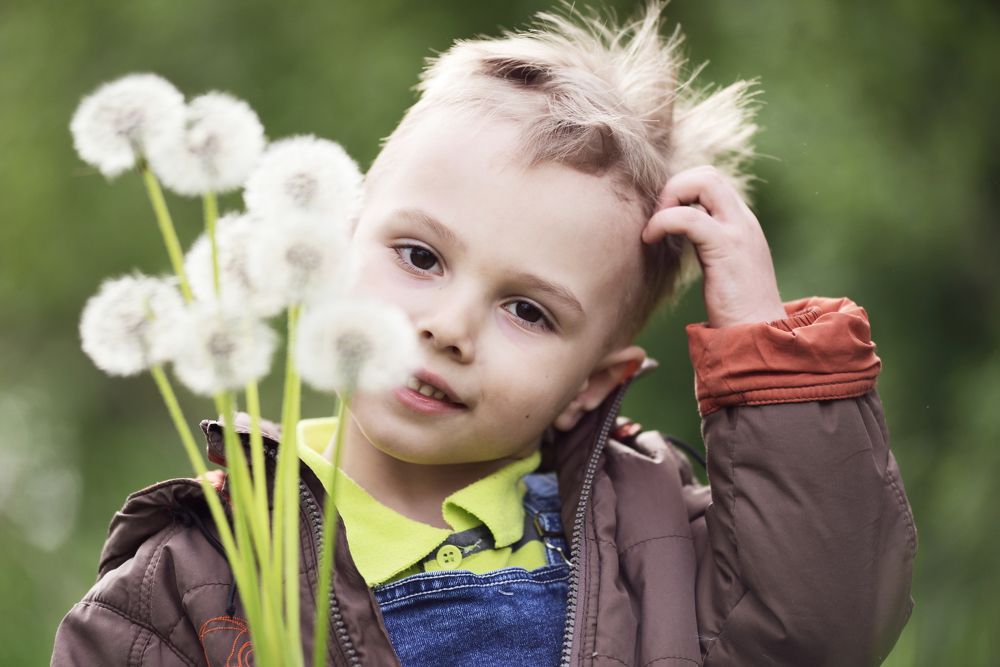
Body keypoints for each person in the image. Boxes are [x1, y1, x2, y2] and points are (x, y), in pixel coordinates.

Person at [51, 3, 916, 665]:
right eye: (421, 256)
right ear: (329, 250)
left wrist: (765, 345)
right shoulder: (201, 571)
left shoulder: (650, 535)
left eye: (528, 310)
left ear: (590, 382)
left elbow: (829, 625)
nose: (451, 325)